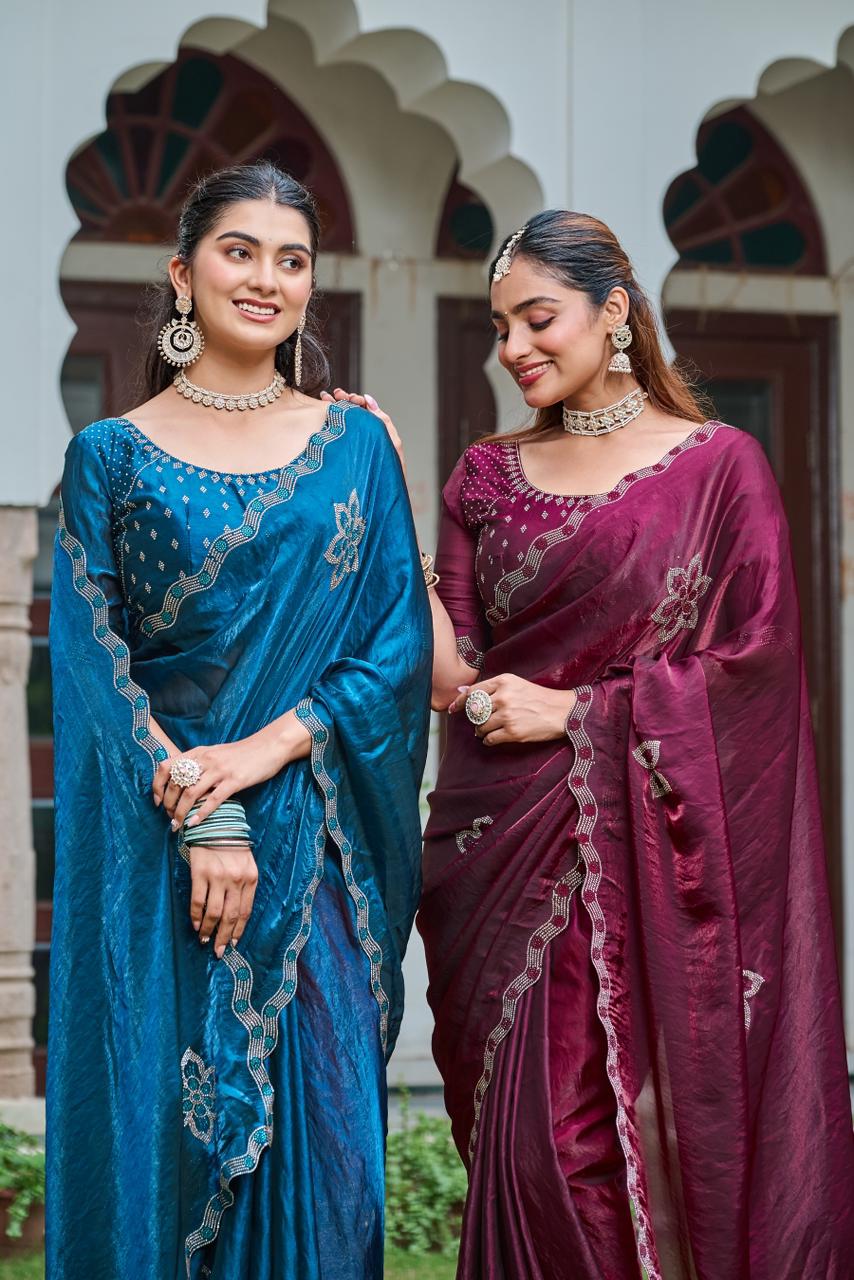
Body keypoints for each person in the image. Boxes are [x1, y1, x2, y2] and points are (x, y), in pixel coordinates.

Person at [333, 209, 854, 1278]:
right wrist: (385, 491)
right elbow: (449, 677)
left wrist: (576, 713)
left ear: (612, 311)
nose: (513, 347)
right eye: (499, 327)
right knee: (531, 1159)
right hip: (496, 851)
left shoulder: (719, 468)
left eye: (537, 318)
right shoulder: (485, 473)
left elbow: (753, 675)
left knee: (605, 1153)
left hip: (642, 853)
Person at [47, 161, 432, 1280]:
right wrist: (204, 820)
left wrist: (264, 753)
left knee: (331, 1180)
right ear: (181, 274)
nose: (266, 277)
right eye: (238, 249)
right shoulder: (109, 457)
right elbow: (93, 672)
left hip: (312, 860)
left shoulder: (355, 446)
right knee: (166, 1151)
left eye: (293, 259)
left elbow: (394, 649)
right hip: (167, 862)